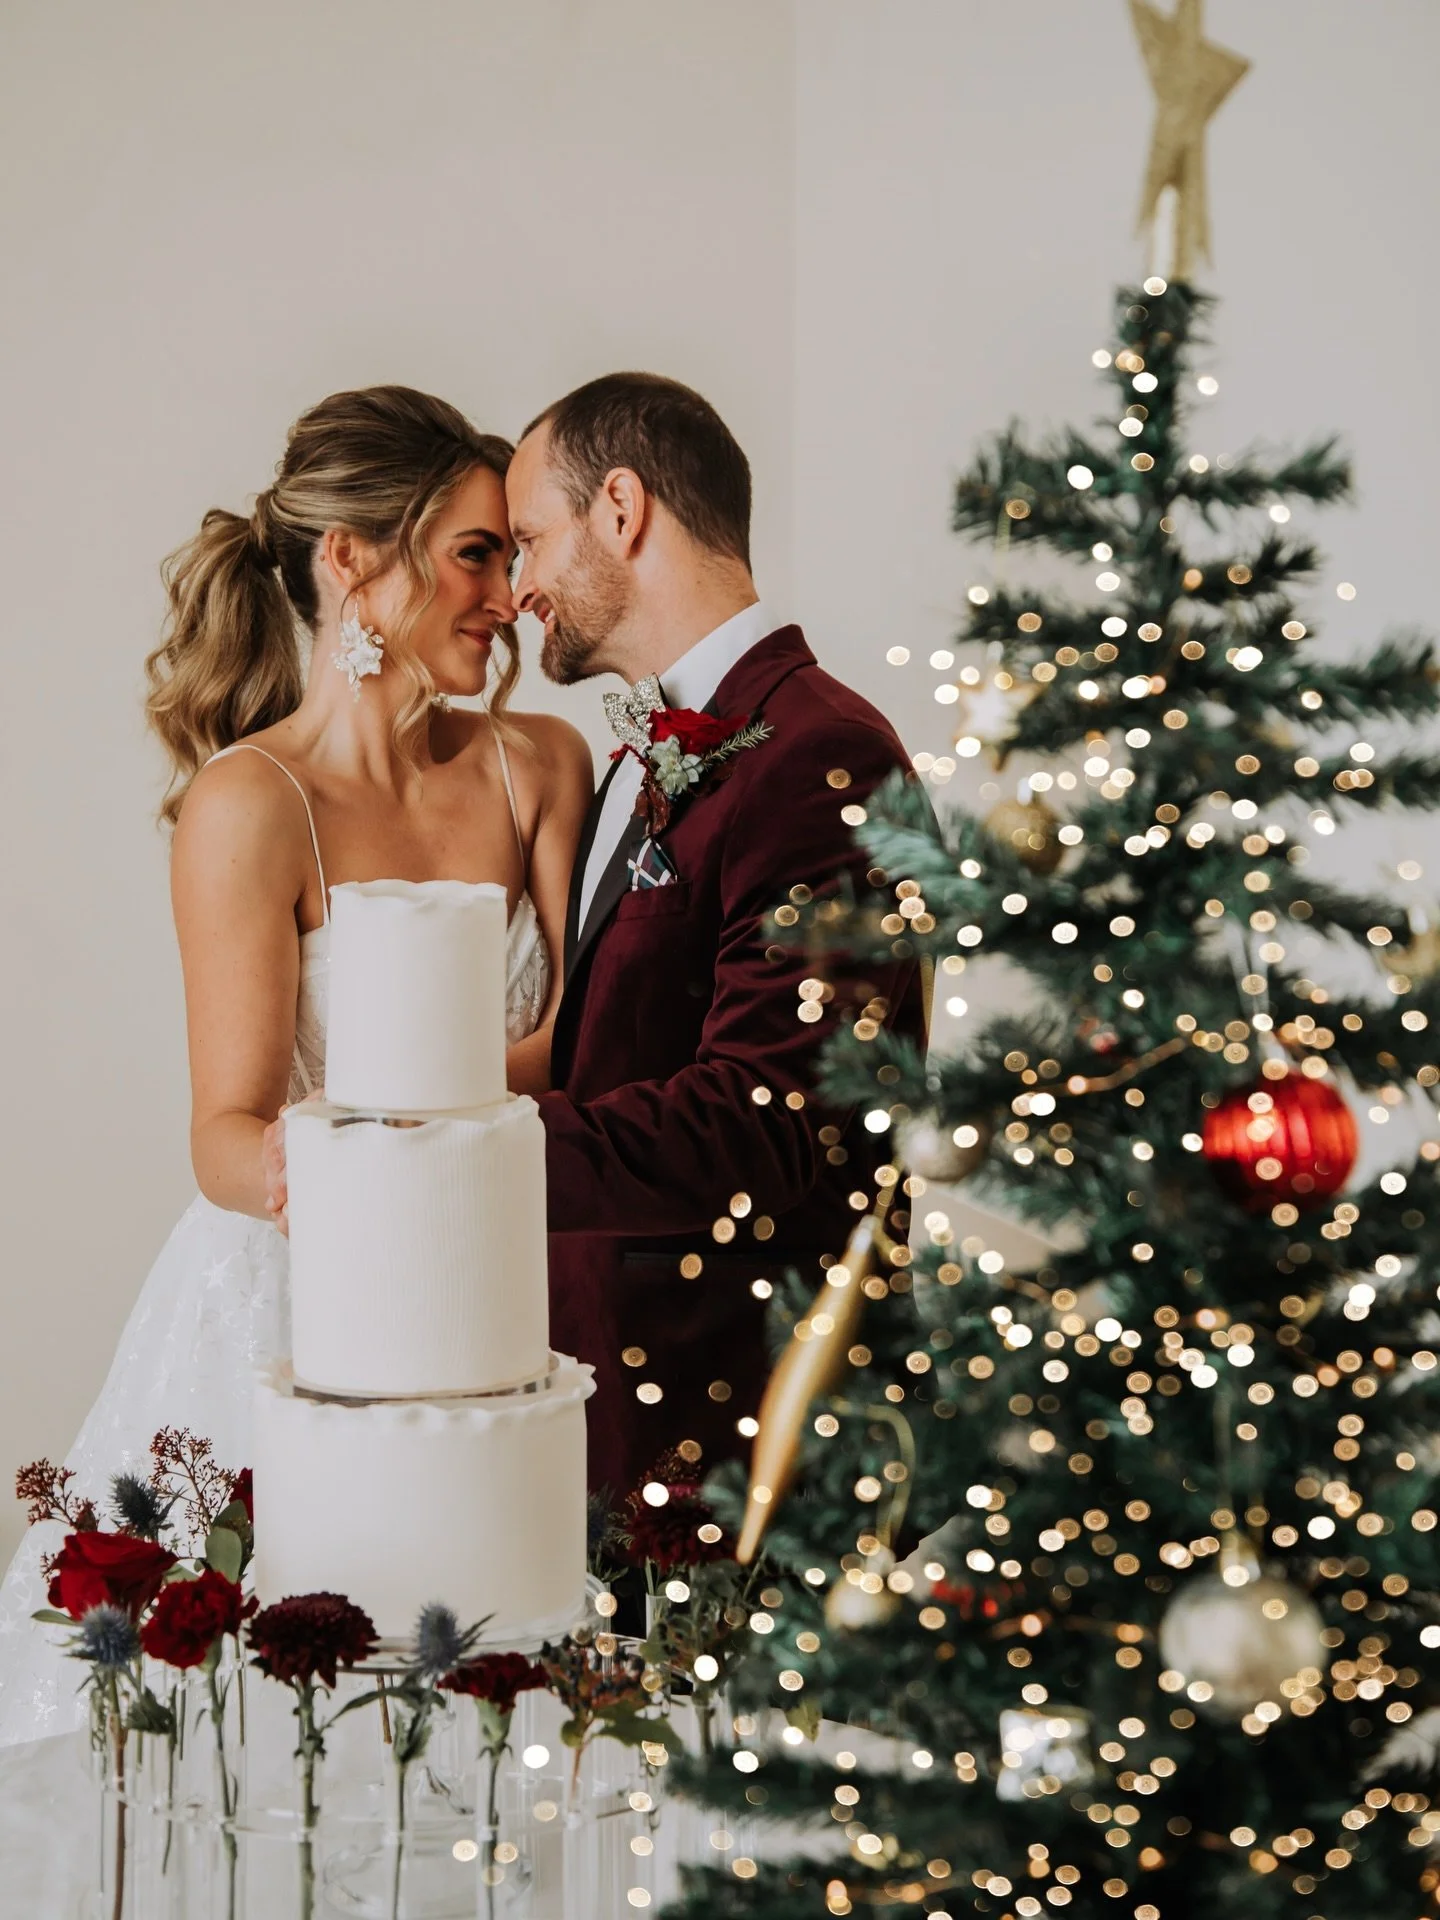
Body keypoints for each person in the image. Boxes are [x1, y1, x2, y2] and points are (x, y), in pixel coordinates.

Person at [0, 385, 592, 1748]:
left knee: (496, 1692)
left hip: (500, 1281)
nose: (509, 595)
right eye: (475, 554)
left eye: (511, 555)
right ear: (351, 562)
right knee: (267, 1725)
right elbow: (223, 1127)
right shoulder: (250, 805)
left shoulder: (542, 769)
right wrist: (323, 1164)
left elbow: (582, 1039)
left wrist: (423, 1142)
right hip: (304, 1295)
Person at [506, 372, 928, 1500]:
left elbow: (770, 1121)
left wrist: (467, 1157)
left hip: (752, 1429)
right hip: (616, 1412)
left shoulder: (824, 753)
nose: (518, 587)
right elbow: (609, 1054)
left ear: (621, 508)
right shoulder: (638, 762)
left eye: (530, 540)